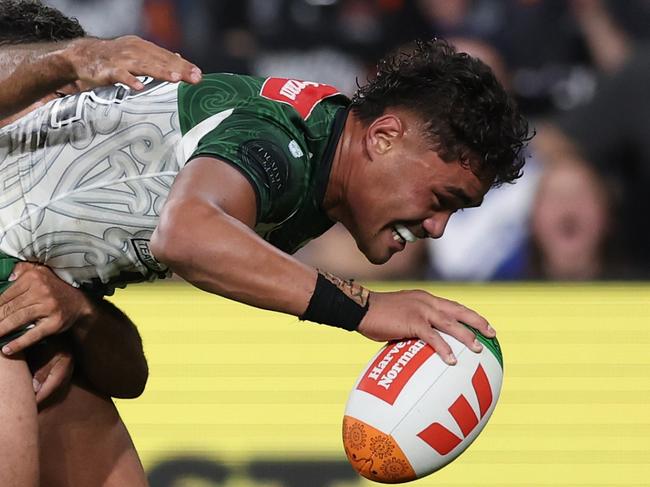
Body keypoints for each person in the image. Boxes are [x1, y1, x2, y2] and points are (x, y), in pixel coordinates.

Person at [2, 31, 529, 487]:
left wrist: (79, 310)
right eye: (442, 200)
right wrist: (366, 309)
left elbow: (130, 375)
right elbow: (185, 236)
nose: (437, 227)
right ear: (384, 138)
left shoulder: (318, 161)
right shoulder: (282, 143)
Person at [0, 0, 203, 484]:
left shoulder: (51, 229)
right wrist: (73, 59)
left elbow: (130, 376)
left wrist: (78, 311)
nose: (52, 139)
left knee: (71, 391)